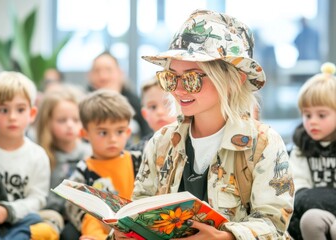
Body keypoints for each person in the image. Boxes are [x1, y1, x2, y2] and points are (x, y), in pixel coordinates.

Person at [113, 9, 294, 240]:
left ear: (232, 81)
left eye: (192, 78)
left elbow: (274, 224)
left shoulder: (263, 144)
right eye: (170, 77)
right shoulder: (161, 142)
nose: (178, 89)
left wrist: (227, 238)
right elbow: (139, 209)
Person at [0, 71, 55, 239]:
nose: (12, 117)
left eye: (20, 109)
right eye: (4, 110)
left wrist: (8, 211)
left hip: (20, 221)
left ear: (32, 114)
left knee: (36, 222)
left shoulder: (38, 156)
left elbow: (37, 199)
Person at [61, 89, 142, 240]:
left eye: (119, 131)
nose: (113, 139)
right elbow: (77, 211)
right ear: (85, 134)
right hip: (99, 232)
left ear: (128, 132)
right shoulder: (83, 170)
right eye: (103, 133)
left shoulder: (138, 161)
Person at [288, 62, 336, 240]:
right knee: (310, 220)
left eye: (321, 115)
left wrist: (317, 195)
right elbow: (298, 191)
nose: (312, 121)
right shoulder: (302, 146)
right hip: (315, 211)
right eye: (307, 115)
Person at [35, 85, 92, 217]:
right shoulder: (41, 156)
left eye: (76, 120)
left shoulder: (90, 153)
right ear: (47, 122)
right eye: (62, 120)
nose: (70, 125)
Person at [87, 51, 152, 143]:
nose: (103, 76)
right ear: (90, 76)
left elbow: (148, 133)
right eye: (97, 71)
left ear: (120, 73)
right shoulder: (83, 105)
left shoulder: (136, 102)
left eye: (108, 70)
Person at [128, 77, 176, 152]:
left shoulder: (191, 145)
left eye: (167, 104)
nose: (160, 112)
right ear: (144, 114)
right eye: (153, 107)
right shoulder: (136, 153)